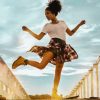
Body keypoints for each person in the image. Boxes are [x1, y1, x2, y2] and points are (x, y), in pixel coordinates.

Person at [12, 0, 85, 97]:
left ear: (54, 12)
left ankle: (54, 93)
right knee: (41, 66)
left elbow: (70, 33)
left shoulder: (63, 23)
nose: (46, 15)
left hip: (63, 48)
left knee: (58, 72)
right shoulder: (47, 26)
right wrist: (28, 30)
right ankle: (23, 60)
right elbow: (39, 37)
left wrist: (79, 25)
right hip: (53, 46)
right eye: (45, 14)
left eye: (47, 13)